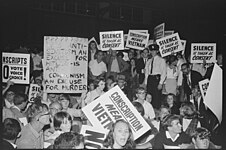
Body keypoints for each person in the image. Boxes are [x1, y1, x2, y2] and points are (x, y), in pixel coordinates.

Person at [144, 44, 167, 109]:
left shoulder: (161, 60)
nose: (153, 52)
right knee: (149, 95)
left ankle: (156, 110)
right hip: (150, 79)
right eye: (151, 51)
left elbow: (164, 72)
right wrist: (146, 83)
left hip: (156, 79)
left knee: (156, 96)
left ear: (157, 51)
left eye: (154, 51)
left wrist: (161, 83)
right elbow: (147, 73)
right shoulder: (149, 61)